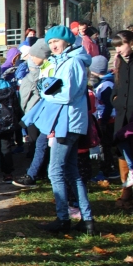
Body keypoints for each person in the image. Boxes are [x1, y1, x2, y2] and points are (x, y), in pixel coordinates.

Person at [23, 26, 93, 235]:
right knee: (71, 171)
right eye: (50, 42)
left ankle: (63, 219)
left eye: (57, 41)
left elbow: (67, 95)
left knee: (55, 171)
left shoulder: (72, 62)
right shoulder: (62, 60)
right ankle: (87, 220)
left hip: (68, 123)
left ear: (67, 42)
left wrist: (46, 94)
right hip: (66, 121)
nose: (53, 45)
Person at [12, 39, 53, 188]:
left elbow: (24, 98)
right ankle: (42, 172)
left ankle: (37, 173)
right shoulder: (48, 72)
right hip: (45, 114)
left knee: (38, 144)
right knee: (43, 145)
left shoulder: (31, 79)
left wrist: (25, 113)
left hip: (35, 114)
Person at [112, 31, 133, 209]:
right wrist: (115, 99)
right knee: (122, 152)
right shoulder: (120, 62)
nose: (117, 49)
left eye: (120, 45)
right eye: (115, 46)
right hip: (122, 115)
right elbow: (117, 85)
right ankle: (126, 190)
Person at [89, 55, 116, 181]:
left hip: (108, 120)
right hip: (106, 119)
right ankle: (106, 167)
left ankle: (108, 170)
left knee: (105, 146)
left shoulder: (106, 86)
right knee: (105, 145)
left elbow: (109, 105)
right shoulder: (104, 83)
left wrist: (104, 121)